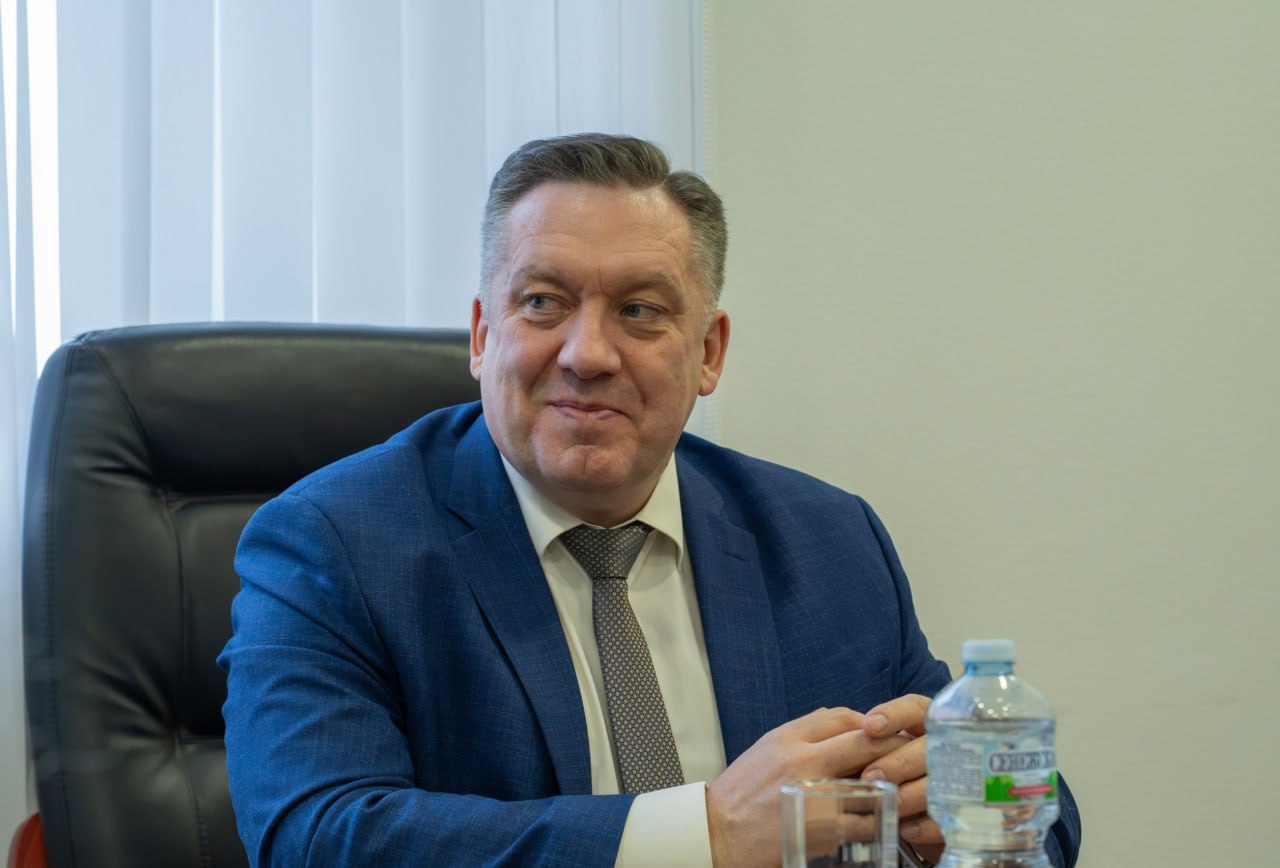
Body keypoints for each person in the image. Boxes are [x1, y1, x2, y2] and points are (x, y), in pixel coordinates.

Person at [219, 133, 1081, 867]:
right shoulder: (335, 542)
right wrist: (709, 833)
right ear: (483, 335)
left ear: (709, 352)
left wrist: (960, 814)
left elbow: (1036, 813)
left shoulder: (826, 538)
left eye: (639, 311)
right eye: (543, 303)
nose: (587, 354)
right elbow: (315, 835)